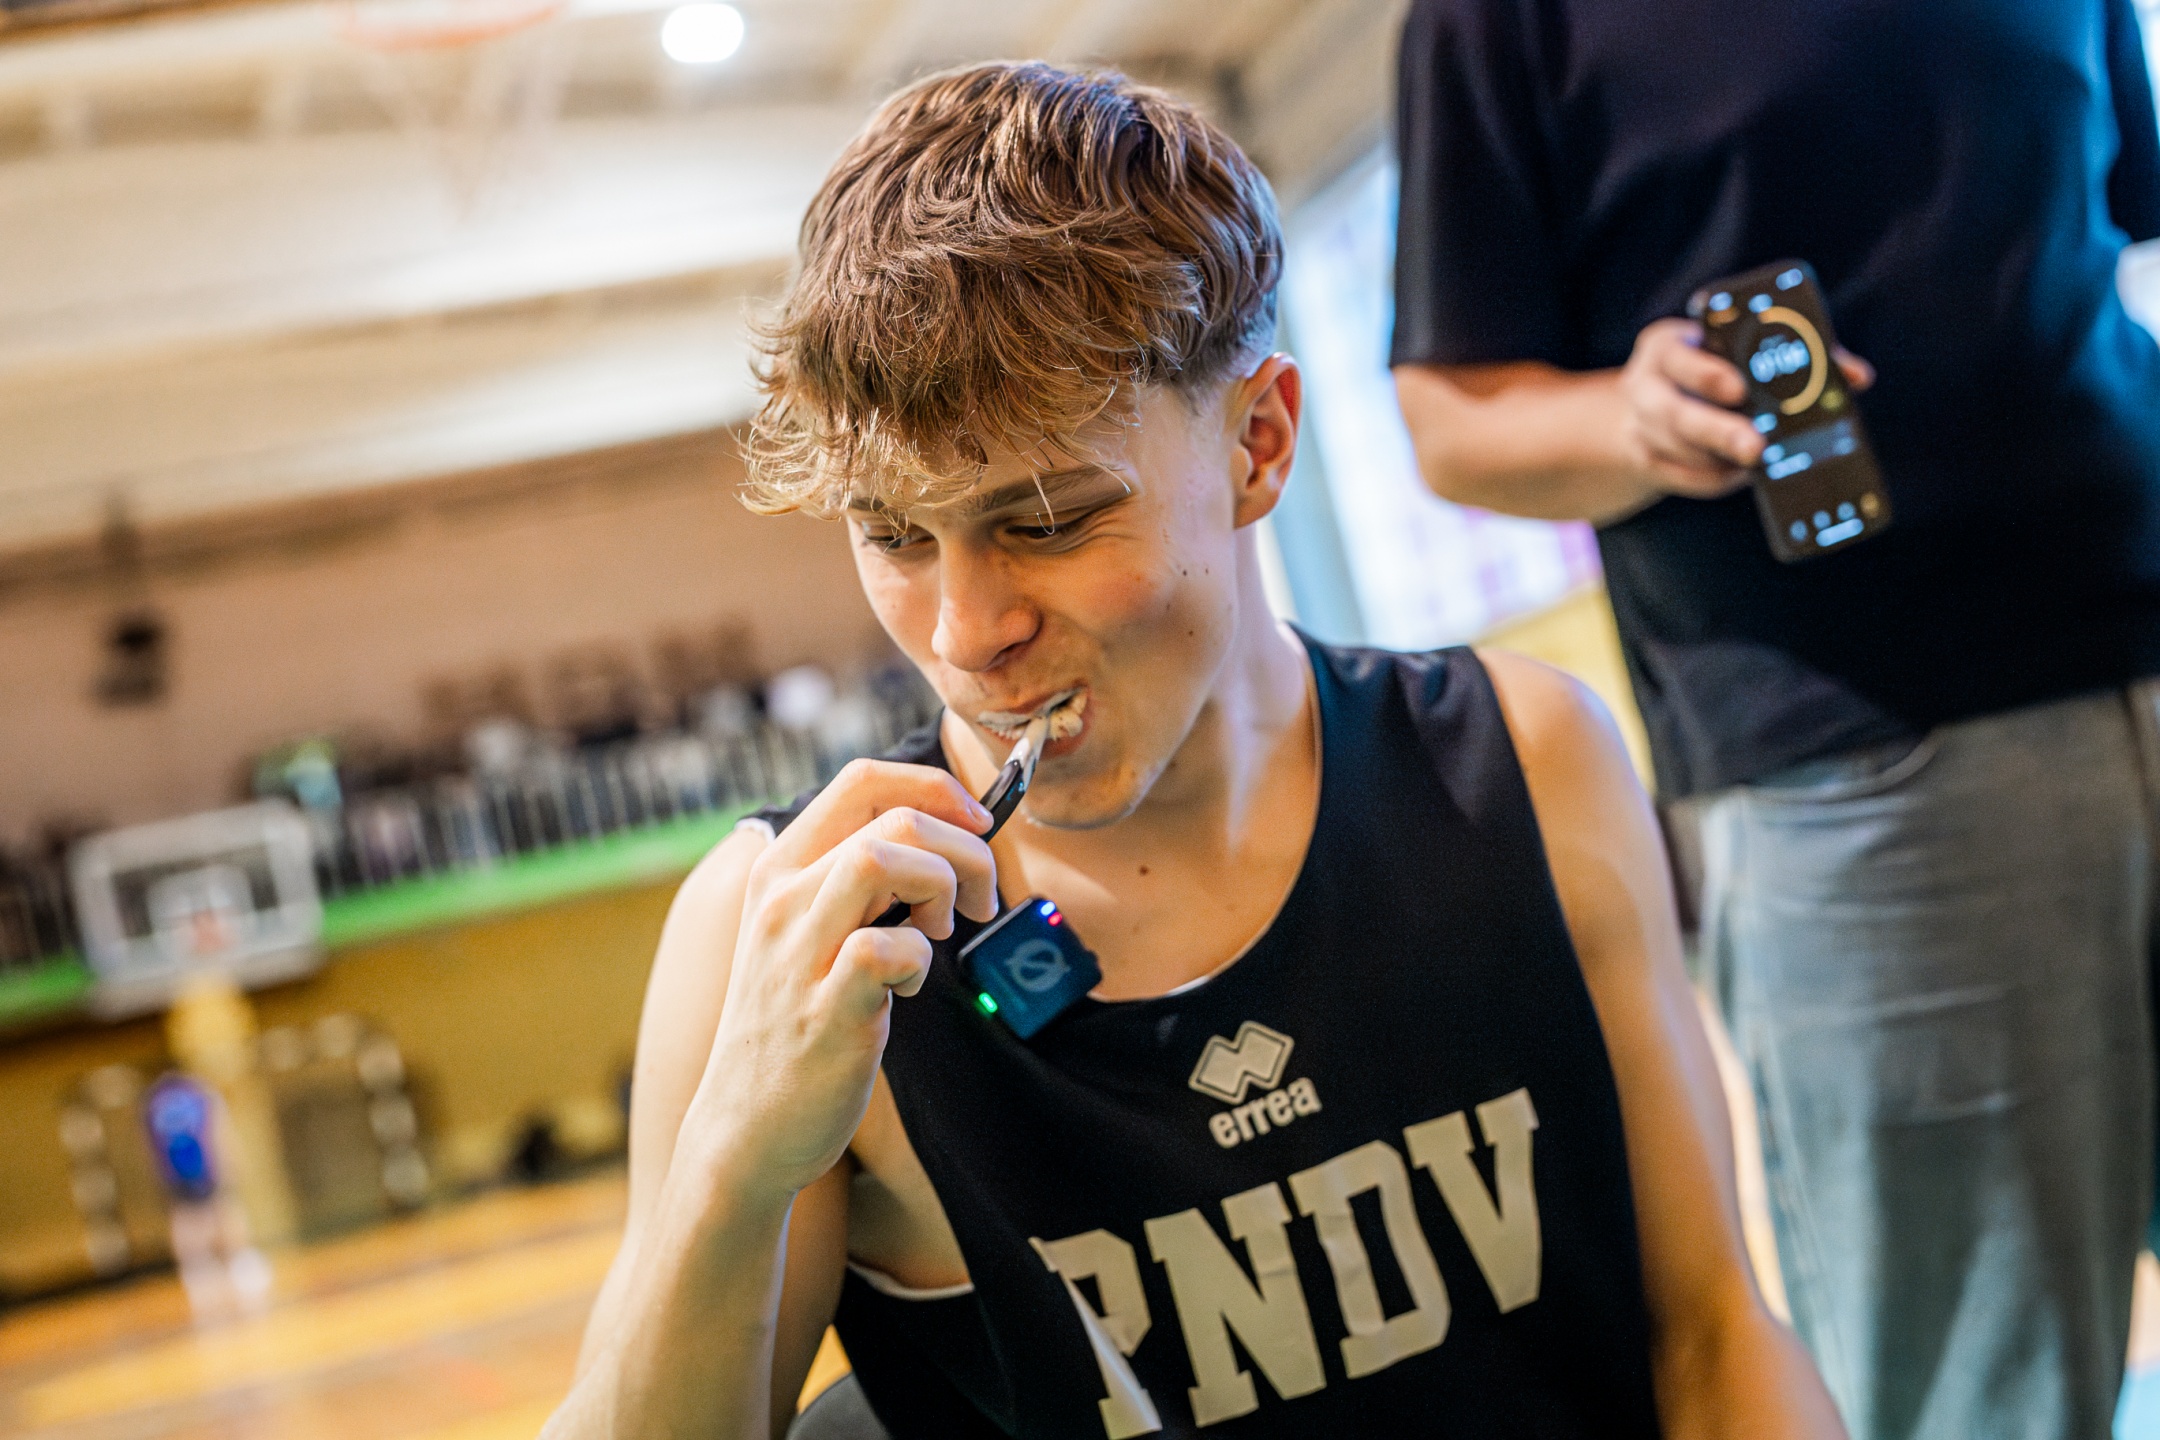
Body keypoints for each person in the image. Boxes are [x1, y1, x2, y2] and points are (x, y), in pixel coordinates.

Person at [542, 62, 1844, 1440]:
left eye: (1048, 520)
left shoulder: (1525, 767)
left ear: (1259, 444)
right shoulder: (785, 924)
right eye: (895, 536)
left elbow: (1715, 1335)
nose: (967, 633)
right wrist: (735, 1164)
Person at [1387, 4, 2160, 1438]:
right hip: (1863, 755)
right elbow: (1452, 414)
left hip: (2142, 609)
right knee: (1974, 1393)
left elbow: (2119, 220)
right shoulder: (1500, 22)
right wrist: (1631, 419)